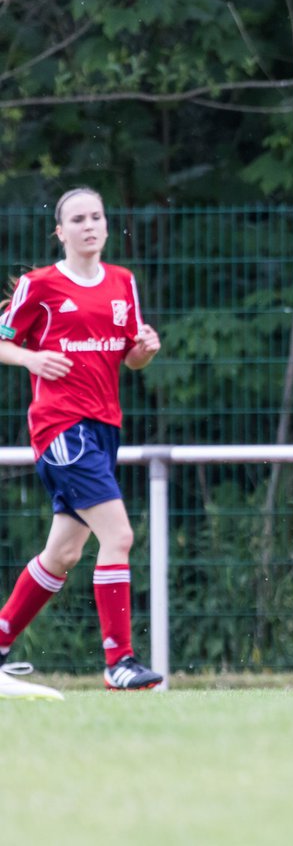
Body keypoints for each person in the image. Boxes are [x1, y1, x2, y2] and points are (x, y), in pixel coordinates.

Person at [0, 187, 165, 695]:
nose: (89, 225)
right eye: (78, 218)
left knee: (63, 554)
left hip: (103, 428)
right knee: (118, 536)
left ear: (106, 226)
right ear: (61, 231)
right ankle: (119, 661)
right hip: (61, 429)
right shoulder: (40, 285)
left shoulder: (123, 283)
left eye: (96, 216)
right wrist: (30, 359)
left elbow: (130, 358)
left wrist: (146, 350)